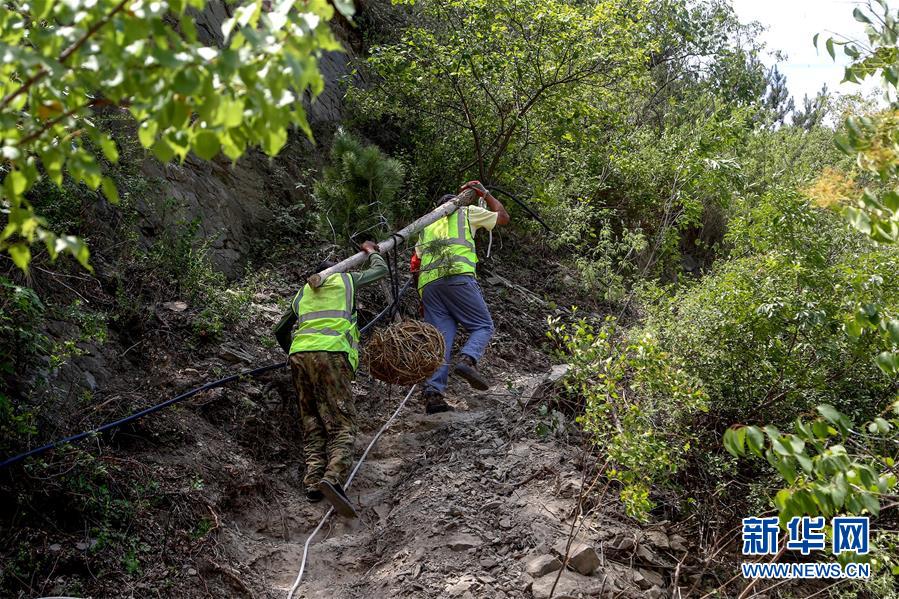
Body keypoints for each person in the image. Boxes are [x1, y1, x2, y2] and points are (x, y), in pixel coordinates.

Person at [273, 241, 387, 518]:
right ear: (336, 271)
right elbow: (380, 270)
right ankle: (333, 478)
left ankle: (312, 482)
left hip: (300, 357)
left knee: (312, 420)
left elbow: (279, 330)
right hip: (332, 356)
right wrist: (371, 251)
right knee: (341, 421)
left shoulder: (302, 293)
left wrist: (296, 351)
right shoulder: (346, 281)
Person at [411, 180, 510, 414]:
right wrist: (484, 193)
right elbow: (503, 217)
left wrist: (423, 298)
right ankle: (467, 361)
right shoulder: (466, 212)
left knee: (441, 341)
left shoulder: (428, 225)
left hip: (429, 287)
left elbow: (415, 265)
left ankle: (433, 395)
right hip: (457, 277)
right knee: (483, 325)